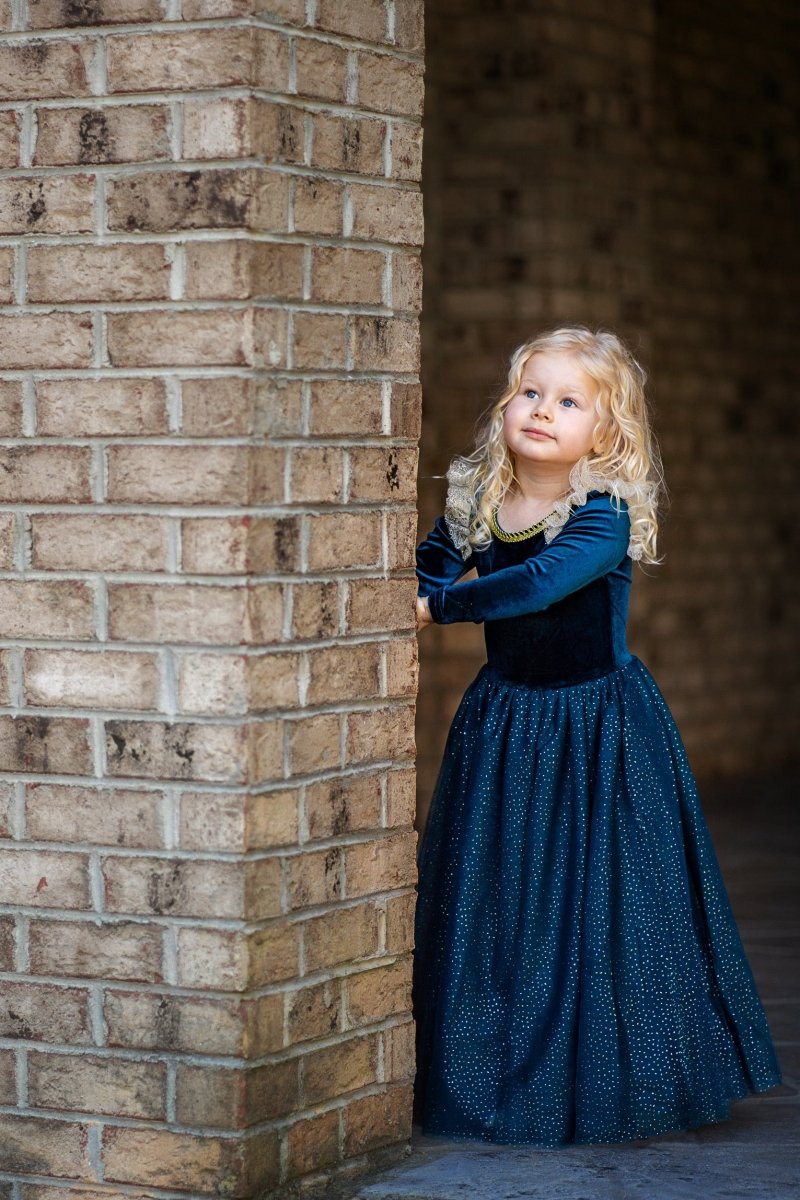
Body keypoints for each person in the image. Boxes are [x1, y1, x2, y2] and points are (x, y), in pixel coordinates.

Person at [411, 324, 782, 1147]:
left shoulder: (601, 514)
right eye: (529, 392)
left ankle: (615, 1075)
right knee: (501, 896)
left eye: (567, 401)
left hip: (594, 729)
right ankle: (493, 1067)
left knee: (606, 902)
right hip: (508, 723)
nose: (541, 410)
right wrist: (426, 582)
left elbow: (535, 584)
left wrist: (444, 608)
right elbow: (435, 560)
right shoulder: (481, 496)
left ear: (604, 432)